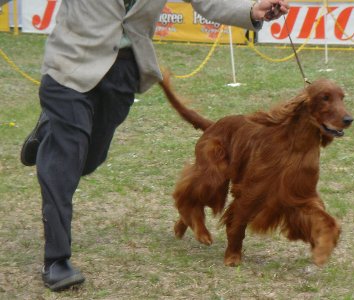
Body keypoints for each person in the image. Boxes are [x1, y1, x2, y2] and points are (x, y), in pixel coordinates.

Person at [8, 0, 289, 292]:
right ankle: (57, 260)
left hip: (124, 71)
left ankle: (48, 130)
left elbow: (206, 2)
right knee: (64, 164)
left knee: (89, 160)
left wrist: (251, 10)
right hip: (69, 66)